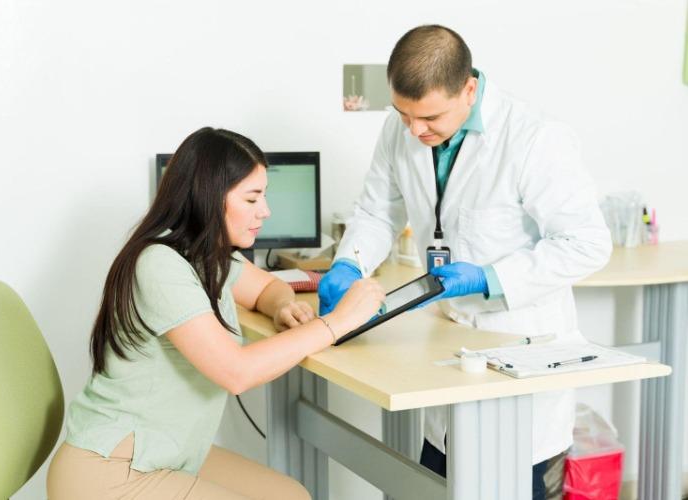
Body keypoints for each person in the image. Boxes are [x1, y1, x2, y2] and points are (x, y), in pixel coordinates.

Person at [318, 25, 612, 499]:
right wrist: (349, 264)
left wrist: (489, 278)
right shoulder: (402, 128)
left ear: (469, 89)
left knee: (506, 481)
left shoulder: (534, 138)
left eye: (429, 117)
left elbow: (587, 243)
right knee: (435, 481)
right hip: (451, 347)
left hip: (520, 344)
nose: (414, 130)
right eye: (403, 114)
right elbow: (377, 212)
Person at [47, 127, 385, 500]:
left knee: (292, 496)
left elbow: (267, 288)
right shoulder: (158, 264)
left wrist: (283, 306)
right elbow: (236, 372)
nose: (265, 211)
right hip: (111, 471)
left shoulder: (207, 257)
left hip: (169, 454)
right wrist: (336, 323)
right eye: (252, 198)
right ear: (208, 196)